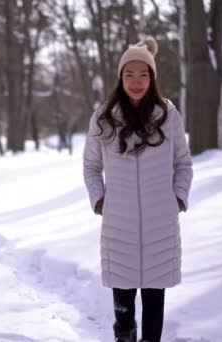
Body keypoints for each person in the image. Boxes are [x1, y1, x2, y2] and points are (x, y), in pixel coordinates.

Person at [82, 37, 193, 342]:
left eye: (143, 74)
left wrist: (178, 199)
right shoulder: (103, 119)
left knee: (155, 300)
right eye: (129, 74)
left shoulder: (168, 115)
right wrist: (100, 200)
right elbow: (91, 166)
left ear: (152, 77)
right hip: (120, 225)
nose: (136, 81)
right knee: (124, 310)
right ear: (120, 77)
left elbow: (183, 162)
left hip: (161, 222)